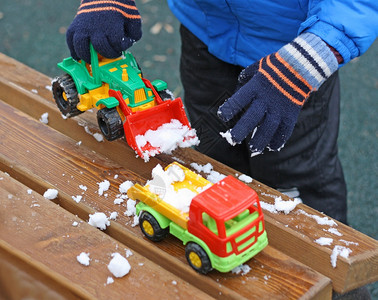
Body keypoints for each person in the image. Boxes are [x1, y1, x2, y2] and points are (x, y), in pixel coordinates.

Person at [66, 1, 377, 224]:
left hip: (294, 60)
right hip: (206, 34)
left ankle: (334, 268)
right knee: (213, 154)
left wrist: (304, 63)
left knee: (297, 171)